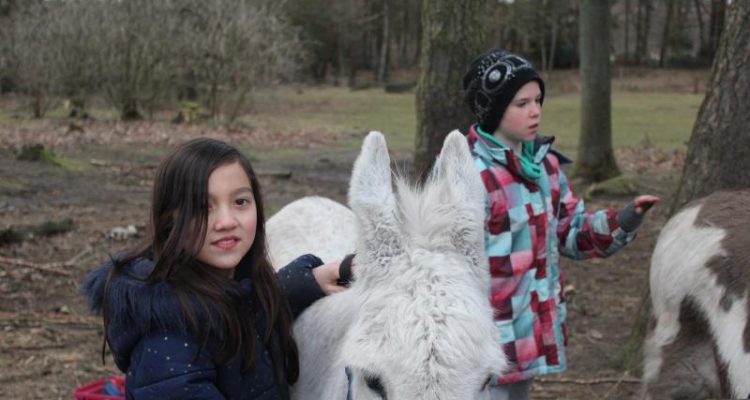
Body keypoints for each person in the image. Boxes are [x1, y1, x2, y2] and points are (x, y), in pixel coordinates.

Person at [461, 49, 660, 400]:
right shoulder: (466, 174)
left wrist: (624, 220)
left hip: (526, 341)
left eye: (538, 100)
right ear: (492, 110)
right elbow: (442, 260)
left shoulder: (545, 167)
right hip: (478, 347)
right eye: (521, 104)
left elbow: (572, 231)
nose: (535, 111)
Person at [82, 138, 346, 399]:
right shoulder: (168, 340)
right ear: (169, 219)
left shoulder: (219, 289)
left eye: (240, 202)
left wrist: (307, 281)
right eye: (202, 207)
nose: (226, 221)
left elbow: (246, 310)